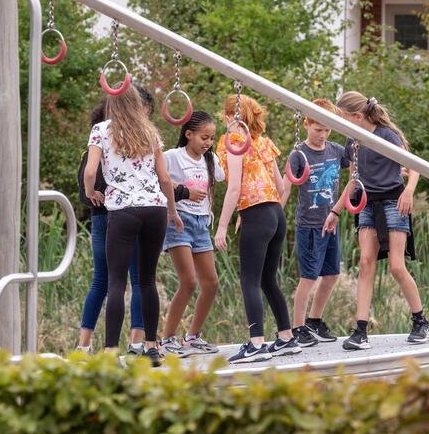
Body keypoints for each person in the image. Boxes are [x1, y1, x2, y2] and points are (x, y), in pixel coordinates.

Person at [84, 85, 182, 367]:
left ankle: (111, 352)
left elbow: (90, 171)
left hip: (123, 211)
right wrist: (172, 211)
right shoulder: (150, 131)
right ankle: (151, 348)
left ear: (112, 105)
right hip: (154, 209)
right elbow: (165, 179)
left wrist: (91, 192)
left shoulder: (102, 130)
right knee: (148, 281)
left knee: (116, 282)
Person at [323, 91, 429, 350]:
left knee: (395, 266)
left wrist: (409, 191)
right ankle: (360, 330)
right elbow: (353, 179)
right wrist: (335, 211)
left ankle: (420, 321)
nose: (341, 123)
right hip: (367, 203)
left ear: (357, 116)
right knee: (365, 262)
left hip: (394, 201)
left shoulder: (386, 136)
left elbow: (414, 166)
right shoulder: (353, 141)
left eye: (343, 118)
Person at [215, 94, 300, 363]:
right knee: (268, 279)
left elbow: (234, 187)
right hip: (275, 212)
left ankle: (256, 344)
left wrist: (222, 225)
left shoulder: (235, 143)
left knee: (249, 281)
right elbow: (282, 185)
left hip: (258, 213)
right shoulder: (262, 143)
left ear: (230, 116)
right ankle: (286, 337)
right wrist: (267, 210)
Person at [282, 99, 349, 346]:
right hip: (309, 224)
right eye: (317, 129)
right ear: (307, 124)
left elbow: (357, 166)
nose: (322, 135)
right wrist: (275, 214)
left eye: (327, 130)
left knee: (331, 275)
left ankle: (314, 321)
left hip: (331, 221)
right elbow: (286, 186)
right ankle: (297, 327)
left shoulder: (335, 150)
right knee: (308, 277)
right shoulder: (299, 153)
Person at [160, 111, 224, 357]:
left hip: (201, 224)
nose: (208, 142)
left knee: (211, 283)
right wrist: (183, 192)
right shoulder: (172, 157)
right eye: (203, 137)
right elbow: (157, 179)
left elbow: (227, 172)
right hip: (179, 222)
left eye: (211, 138)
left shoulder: (211, 160)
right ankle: (167, 339)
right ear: (188, 134)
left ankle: (193, 336)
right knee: (188, 281)